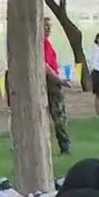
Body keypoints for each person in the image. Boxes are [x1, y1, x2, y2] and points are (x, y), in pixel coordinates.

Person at [43, 17, 72, 154]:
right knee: (58, 115)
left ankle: (64, 143)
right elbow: (45, 66)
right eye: (45, 26)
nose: (48, 29)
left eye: (50, 26)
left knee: (60, 114)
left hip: (53, 80)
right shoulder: (40, 44)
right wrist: (59, 80)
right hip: (51, 82)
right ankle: (64, 144)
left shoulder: (47, 43)